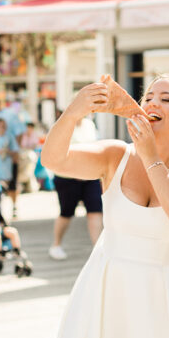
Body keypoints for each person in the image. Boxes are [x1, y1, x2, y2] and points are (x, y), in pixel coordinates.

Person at [42, 73, 169, 338]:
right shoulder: (115, 156)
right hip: (108, 291)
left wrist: (150, 156)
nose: (153, 102)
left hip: (165, 298)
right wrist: (73, 112)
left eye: (166, 99)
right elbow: (53, 159)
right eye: (149, 98)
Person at [48, 111, 103, 260]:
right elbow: (58, 153)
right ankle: (56, 244)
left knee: (95, 211)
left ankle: (97, 250)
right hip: (67, 177)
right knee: (66, 212)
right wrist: (76, 171)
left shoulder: (89, 125)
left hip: (90, 176)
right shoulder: (63, 125)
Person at [0, 118, 19, 188]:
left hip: (6, 169)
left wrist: (7, 151)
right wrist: (0, 151)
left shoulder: (9, 136)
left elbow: (15, 151)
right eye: (1, 126)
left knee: (6, 188)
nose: (3, 128)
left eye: (4, 126)